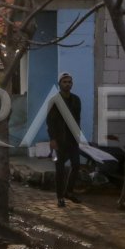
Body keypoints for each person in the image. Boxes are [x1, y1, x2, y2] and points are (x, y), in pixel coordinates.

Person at [46, 72, 83, 207]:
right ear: (60, 84)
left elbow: (77, 118)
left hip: (72, 139)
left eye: (69, 82)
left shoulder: (76, 100)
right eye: (65, 82)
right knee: (60, 169)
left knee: (76, 164)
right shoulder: (54, 100)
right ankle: (60, 197)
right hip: (59, 140)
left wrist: (78, 134)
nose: (67, 84)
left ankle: (69, 191)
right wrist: (52, 139)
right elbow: (50, 122)